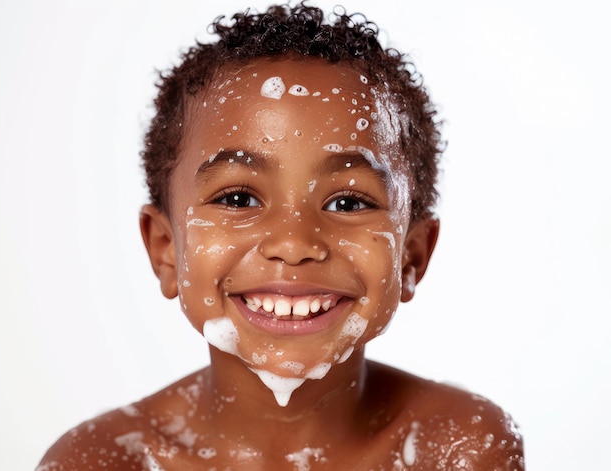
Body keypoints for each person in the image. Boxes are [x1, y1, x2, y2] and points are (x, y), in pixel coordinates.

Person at [37, 2, 524, 469]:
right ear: (165, 250)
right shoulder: (101, 463)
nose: (293, 244)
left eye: (349, 202)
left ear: (412, 257)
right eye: (238, 199)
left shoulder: (459, 449)